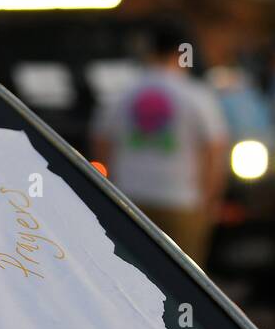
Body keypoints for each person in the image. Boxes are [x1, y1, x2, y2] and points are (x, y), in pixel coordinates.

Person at [90, 22, 229, 266]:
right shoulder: (196, 94)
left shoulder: (123, 92)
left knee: (131, 274)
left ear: (149, 51)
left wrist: (112, 185)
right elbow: (215, 151)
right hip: (182, 202)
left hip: (129, 200)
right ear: (180, 53)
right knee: (183, 282)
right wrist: (208, 202)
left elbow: (101, 141)